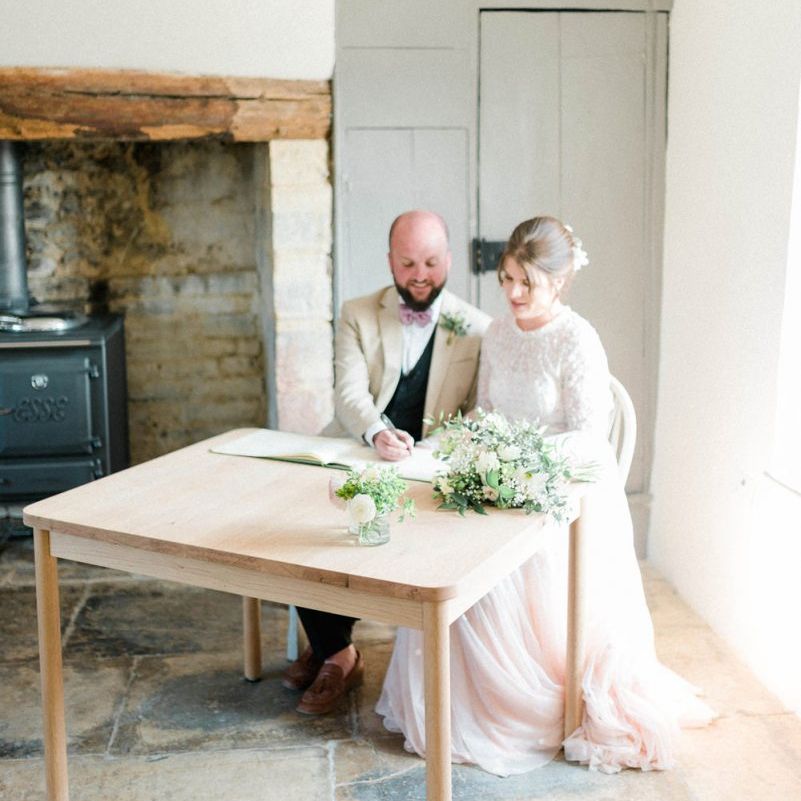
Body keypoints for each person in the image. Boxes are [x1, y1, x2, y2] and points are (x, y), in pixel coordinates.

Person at [376, 216, 714, 774]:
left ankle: (523, 701)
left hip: (558, 489)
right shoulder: (499, 332)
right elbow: (485, 410)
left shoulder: (576, 338)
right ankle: (454, 698)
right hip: (501, 477)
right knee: (443, 541)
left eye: (526, 283)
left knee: (497, 558)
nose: (512, 293)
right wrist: (455, 447)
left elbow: (588, 436)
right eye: (507, 278)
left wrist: (521, 462)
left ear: (558, 282)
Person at [283, 210, 491, 715]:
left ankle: (329, 648)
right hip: (356, 447)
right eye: (407, 263)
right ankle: (337, 649)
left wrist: (432, 448)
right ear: (389, 261)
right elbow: (348, 393)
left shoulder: (477, 327)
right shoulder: (358, 313)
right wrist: (377, 432)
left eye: (431, 263)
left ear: (449, 260)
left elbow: (476, 411)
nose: (420, 275)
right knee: (300, 517)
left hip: (428, 465)